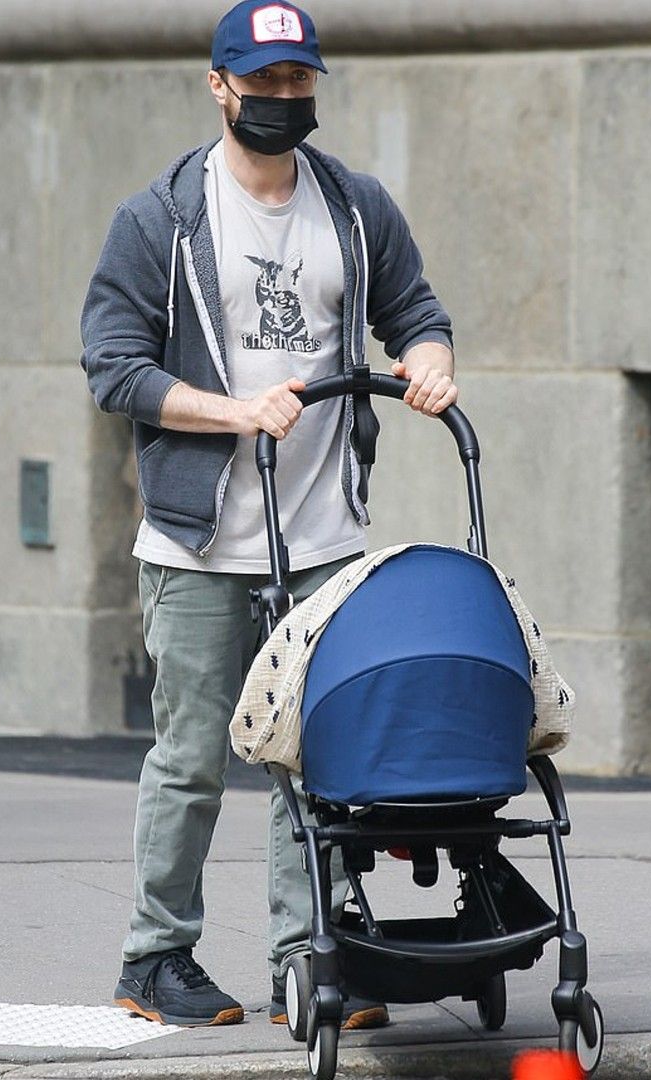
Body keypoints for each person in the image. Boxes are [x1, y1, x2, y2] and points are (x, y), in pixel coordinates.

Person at [79, 0, 459, 1030]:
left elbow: (416, 312)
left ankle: (314, 956)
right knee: (193, 761)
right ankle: (155, 958)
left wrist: (428, 362)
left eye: (299, 83)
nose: (283, 100)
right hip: (199, 544)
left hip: (324, 537)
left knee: (320, 755)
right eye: (263, 82)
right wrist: (231, 410)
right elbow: (113, 368)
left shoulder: (354, 206)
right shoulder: (160, 219)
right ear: (219, 84)